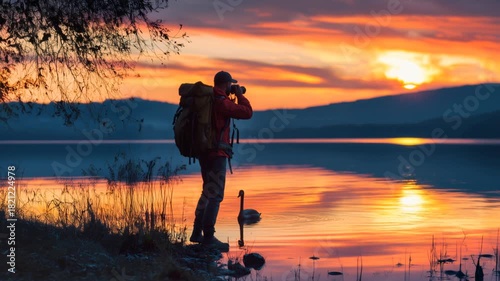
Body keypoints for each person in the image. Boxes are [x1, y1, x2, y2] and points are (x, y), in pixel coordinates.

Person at [189, 71, 253, 250]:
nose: (232, 87)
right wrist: (239, 95)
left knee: (207, 192)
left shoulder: (209, 101)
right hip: (217, 153)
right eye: (231, 84)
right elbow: (247, 113)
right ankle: (209, 236)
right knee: (216, 195)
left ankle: (196, 232)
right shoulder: (221, 101)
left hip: (203, 152)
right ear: (226, 84)